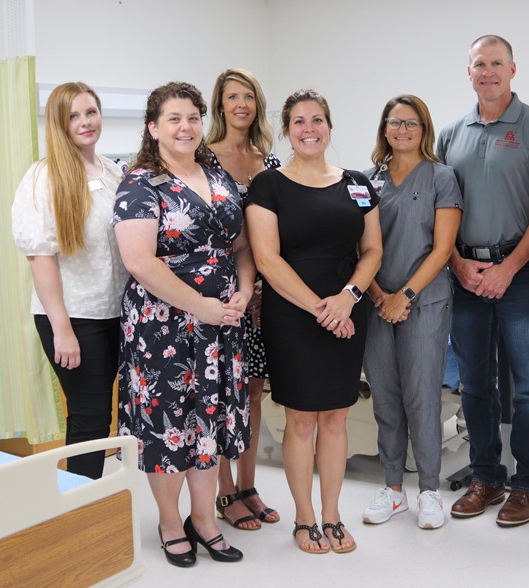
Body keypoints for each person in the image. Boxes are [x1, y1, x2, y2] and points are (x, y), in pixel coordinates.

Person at [114, 82, 253, 567]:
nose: (185, 126)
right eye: (173, 118)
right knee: (170, 424)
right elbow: (139, 262)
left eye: (192, 117)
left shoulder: (217, 176)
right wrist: (202, 305)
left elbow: (240, 246)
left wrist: (244, 290)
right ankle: (171, 523)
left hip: (221, 322)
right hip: (164, 326)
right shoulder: (139, 184)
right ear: (153, 128)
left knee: (208, 422)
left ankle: (205, 520)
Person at [436, 34, 529, 527]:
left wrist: (509, 267)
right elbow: (442, 210)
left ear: (513, 69)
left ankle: (527, 483)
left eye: (496, 63)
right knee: (474, 385)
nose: (487, 72)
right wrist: (457, 265)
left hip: (521, 277)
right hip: (466, 275)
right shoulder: (451, 134)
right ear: (468, 72)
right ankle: (486, 476)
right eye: (478, 64)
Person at [246, 89, 382, 554]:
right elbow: (266, 258)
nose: (310, 128)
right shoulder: (269, 185)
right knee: (302, 420)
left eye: (318, 119)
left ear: (329, 126)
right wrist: (322, 309)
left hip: (348, 311)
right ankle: (305, 519)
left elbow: (373, 251)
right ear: (286, 129)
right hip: (294, 314)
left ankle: (332, 515)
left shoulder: (358, 182)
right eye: (299, 121)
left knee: (337, 417)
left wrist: (347, 298)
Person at [12, 82, 128, 480]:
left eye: (90, 112)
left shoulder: (113, 171)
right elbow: (39, 256)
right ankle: (77, 510)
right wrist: (62, 328)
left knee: (100, 418)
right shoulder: (43, 178)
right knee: (91, 418)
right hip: (72, 316)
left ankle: (84, 502)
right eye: (73, 116)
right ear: (58, 124)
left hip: (113, 312)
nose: (84, 122)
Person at [361, 95, 462, 530]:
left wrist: (404, 295)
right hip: (375, 302)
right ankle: (392, 489)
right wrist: (381, 295)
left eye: (412, 123)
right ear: (384, 129)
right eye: (394, 122)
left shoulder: (442, 177)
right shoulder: (367, 181)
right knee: (385, 398)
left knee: (422, 398)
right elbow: (359, 248)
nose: (402, 130)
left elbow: (442, 250)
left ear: (425, 128)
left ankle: (429, 491)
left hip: (425, 302)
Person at [206, 68, 281, 531]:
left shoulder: (267, 161)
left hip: (263, 293)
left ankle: (249, 485)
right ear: (220, 104)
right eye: (232, 96)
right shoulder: (202, 157)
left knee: (253, 391)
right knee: (218, 394)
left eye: (248, 96)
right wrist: (239, 285)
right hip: (220, 292)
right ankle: (223, 490)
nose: (241, 104)